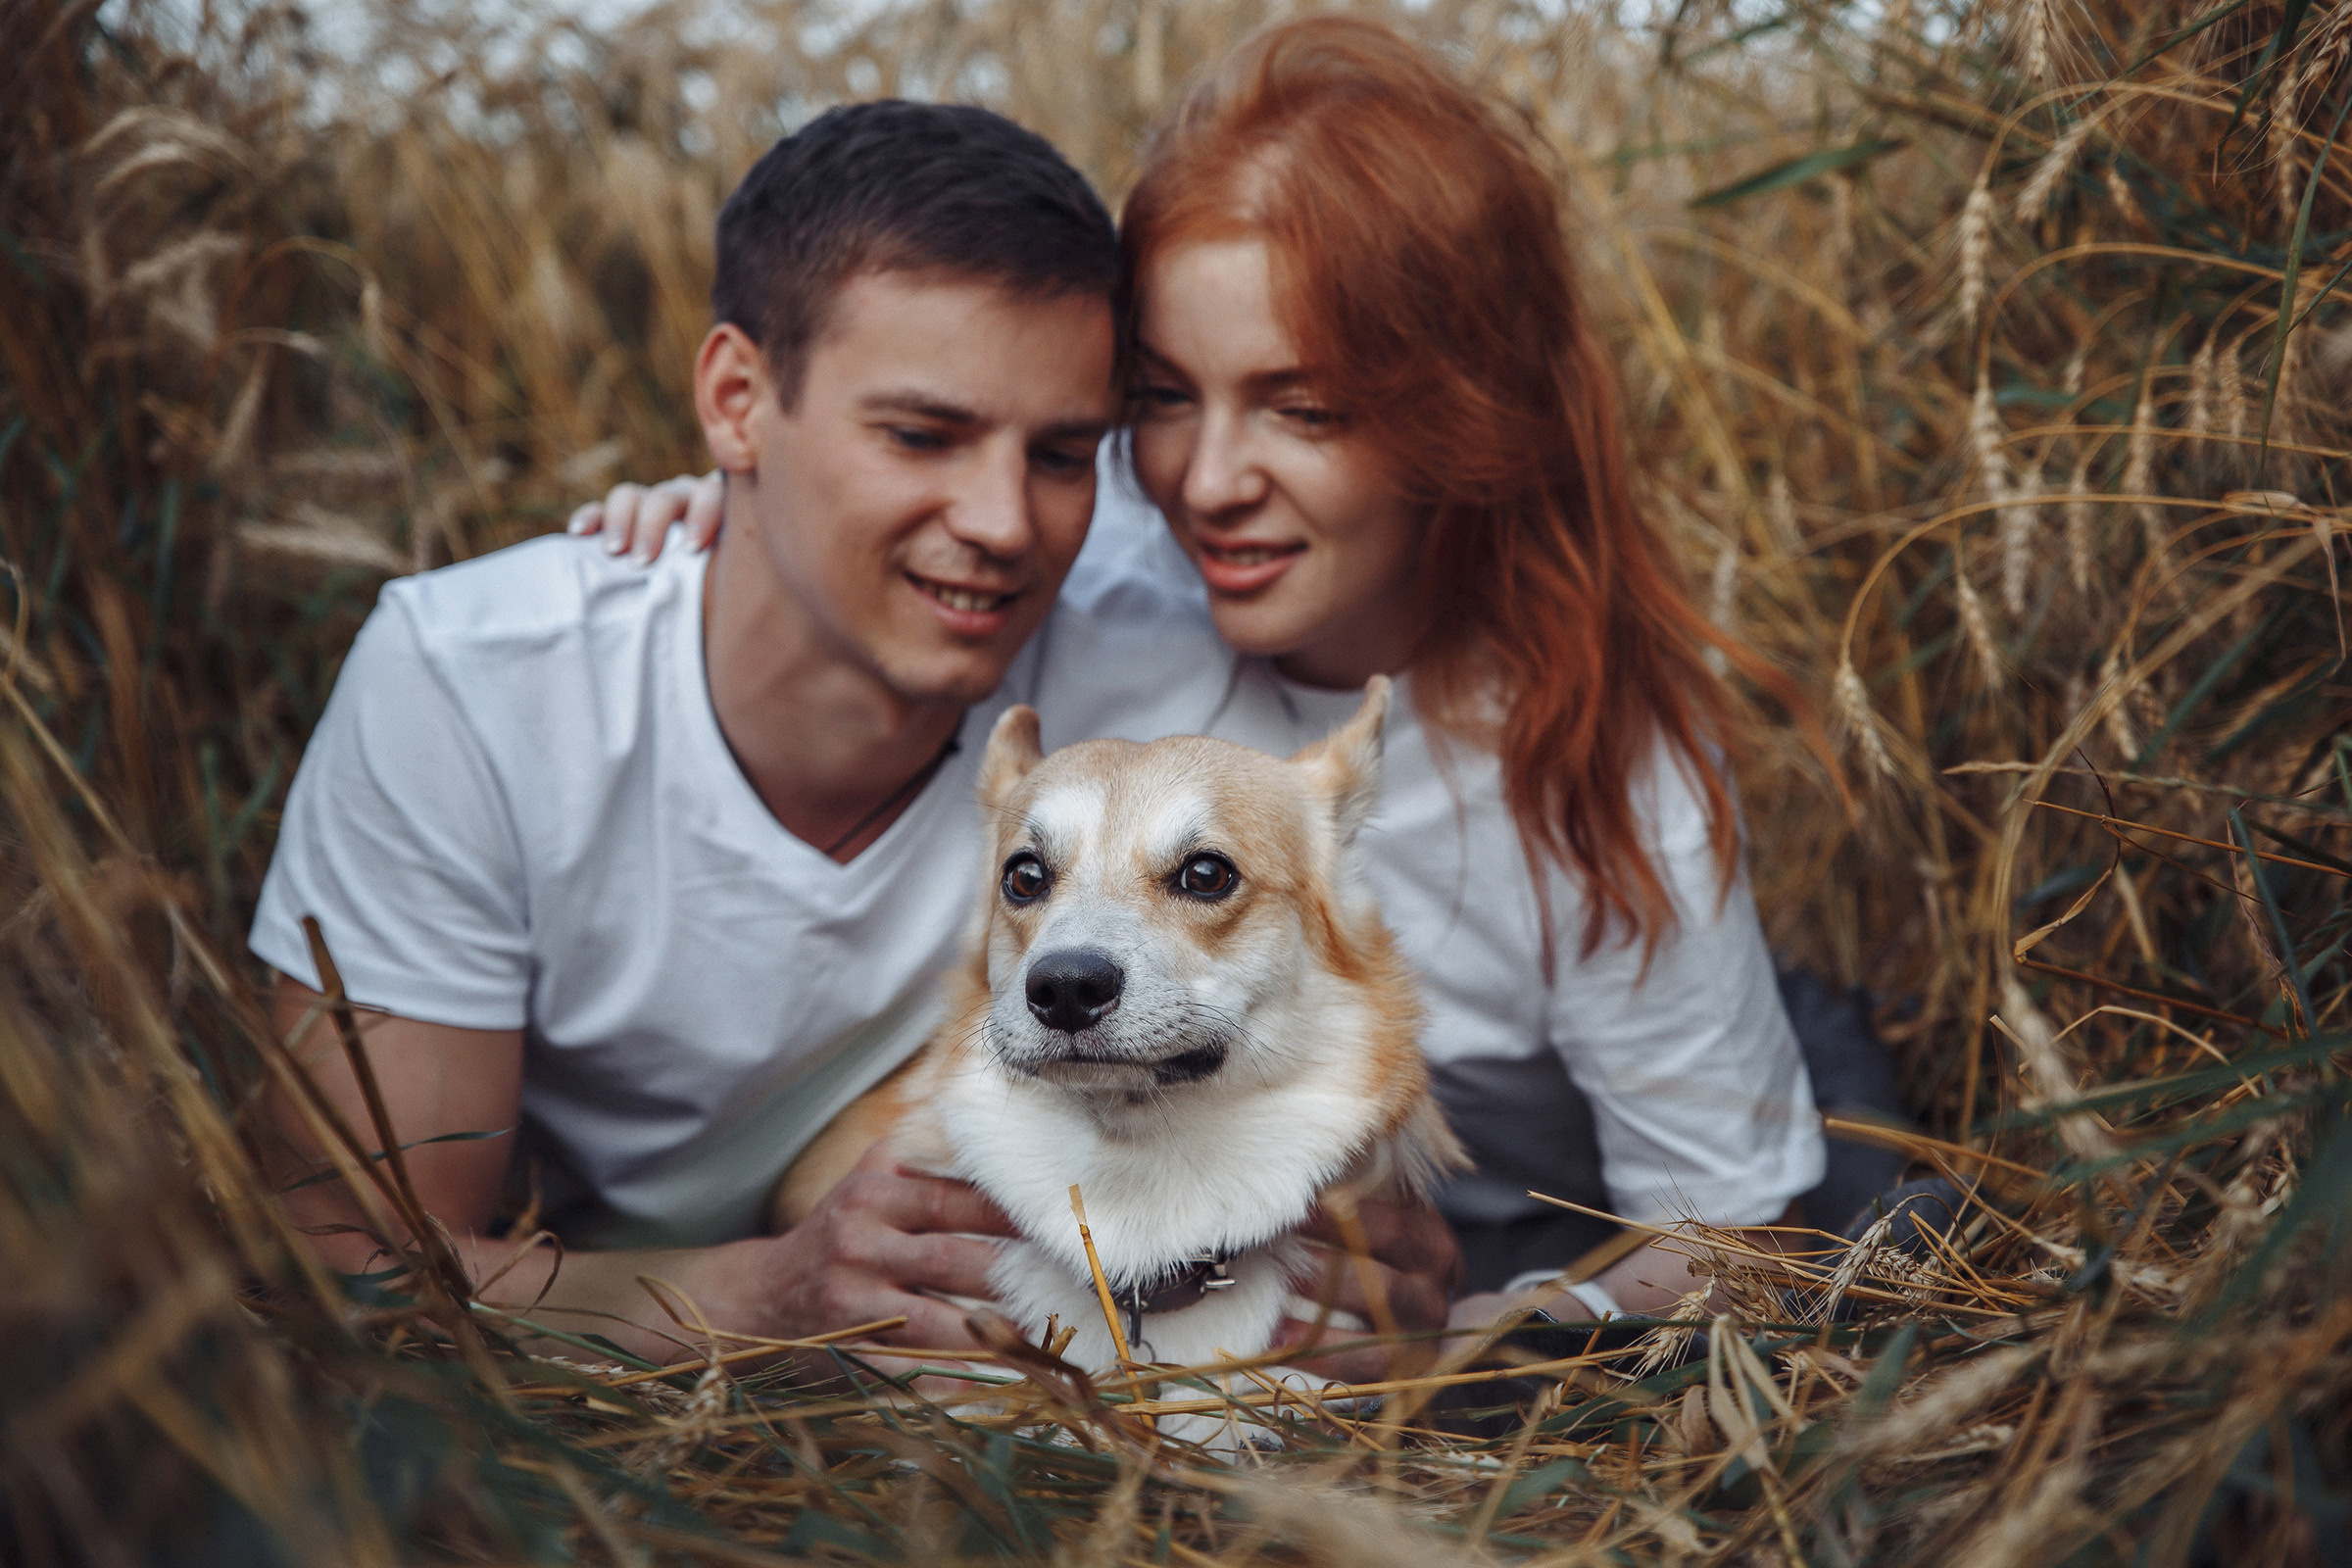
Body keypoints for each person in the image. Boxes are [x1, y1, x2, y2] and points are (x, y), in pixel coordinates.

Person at [577, 18, 1909, 1347]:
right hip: (1203, 1174)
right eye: (1164, 398)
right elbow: (903, 507)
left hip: (1546, 1210)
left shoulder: (1600, 779)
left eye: (1306, 408)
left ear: (1463, 406)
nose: (1205, 484)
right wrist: (737, 502)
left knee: (1885, 1249)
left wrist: (1465, 1335)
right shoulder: (1107, 576)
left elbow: (1727, 1243)